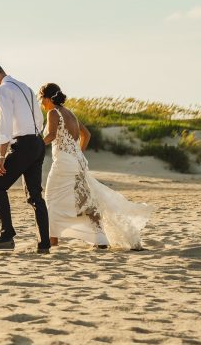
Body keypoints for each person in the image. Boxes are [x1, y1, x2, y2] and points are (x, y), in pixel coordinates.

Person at [39, 83, 151, 250]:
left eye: (41, 99)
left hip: (63, 163)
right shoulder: (71, 114)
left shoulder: (53, 113)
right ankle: (100, 239)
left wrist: (36, 145)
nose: (41, 103)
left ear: (47, 98)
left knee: (52, 200)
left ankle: (52, 241)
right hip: (78, 162)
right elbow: (87, 135)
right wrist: (78, 152)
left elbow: (52, 134)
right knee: (86, 201)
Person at [0, 62, 51, 254]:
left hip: (24, 145)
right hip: (38, 143)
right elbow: (39, 120)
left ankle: (6, 236)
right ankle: (44, 244)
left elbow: (6, 125)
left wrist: (0, 156)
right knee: (36, 196)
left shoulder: (3, 90)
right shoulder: (25, 88)